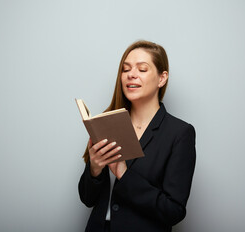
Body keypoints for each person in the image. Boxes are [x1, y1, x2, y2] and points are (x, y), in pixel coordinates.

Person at [78, 40, 196, 232]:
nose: (131, 74)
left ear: (162, 78)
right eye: (125, 70)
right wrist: (95, 169)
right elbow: (87, 198)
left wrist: (124, 175)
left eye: (142, 69)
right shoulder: (106, 123)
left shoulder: (180, 133)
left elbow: (173, 211)